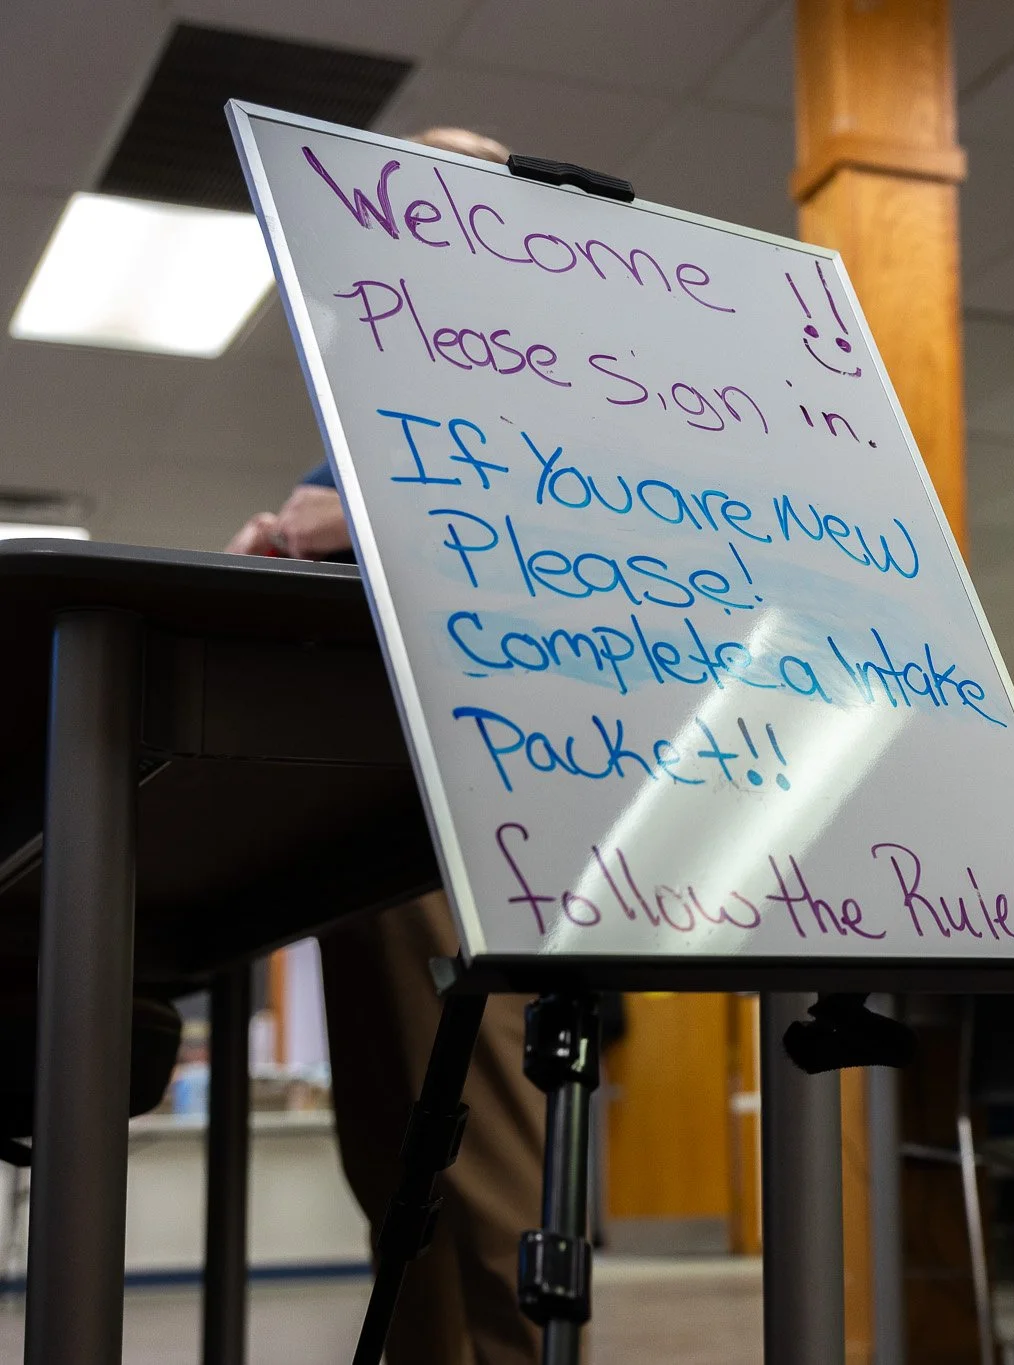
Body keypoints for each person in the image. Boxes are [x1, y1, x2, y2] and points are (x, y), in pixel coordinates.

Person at [228, 127, 547, 1365]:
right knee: (398, 1158)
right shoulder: (381, 381)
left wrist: (352, 514)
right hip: (367, 804)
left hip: (481, 803)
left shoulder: (538, 365)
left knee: (474, 1162)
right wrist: (293, 534)